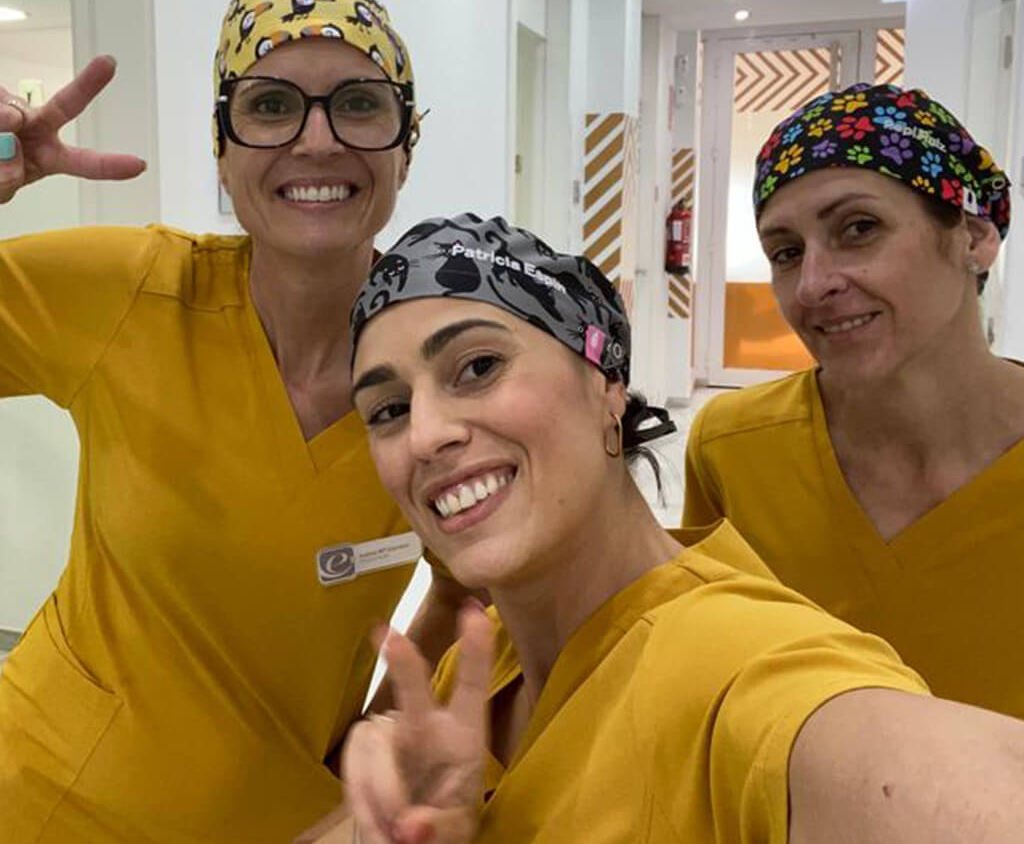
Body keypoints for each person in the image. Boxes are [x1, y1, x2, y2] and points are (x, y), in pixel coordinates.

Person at [299, 212, 1024, 844]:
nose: (425, 434)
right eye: (388, 410)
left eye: (478, 366)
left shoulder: (732, 665)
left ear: (605, 383)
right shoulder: (481, 672)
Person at [0, 0, 470, 843]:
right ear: (222, 148)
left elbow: (465, 590)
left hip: (286, 825)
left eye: (359, 102)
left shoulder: (443, 375)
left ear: (406, 145)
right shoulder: (131, 293)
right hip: (45, 802)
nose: (318, 142)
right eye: (270, 105)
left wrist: (374, 746)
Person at [683, 82, 1024, 718]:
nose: (812, 285)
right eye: (786, 253)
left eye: (859, 228)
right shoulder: (733, 449)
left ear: (974, 237)